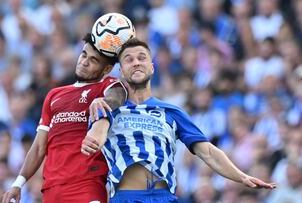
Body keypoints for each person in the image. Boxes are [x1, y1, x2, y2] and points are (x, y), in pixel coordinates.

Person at [81, 38, 276, 202]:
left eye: (142, 58)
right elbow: (95, 137)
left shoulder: (171, 111)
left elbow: (207, 152)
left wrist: (241, 176)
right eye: (129, 60)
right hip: (127, 197)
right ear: (121, 71)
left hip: (164, 197)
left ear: (152, 67)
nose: (136, 63)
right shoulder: (109, 108)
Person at [2, 33, 126, 203]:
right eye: (83, 55)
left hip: (88, 184)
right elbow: (39, 147)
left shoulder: (106, 86)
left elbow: (118, 96)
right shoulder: (54, 95)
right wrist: (18, 183)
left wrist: (103, 101)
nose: (84, 62)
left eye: (93, 60)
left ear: (106, 69)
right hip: (52, 188)